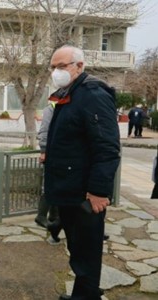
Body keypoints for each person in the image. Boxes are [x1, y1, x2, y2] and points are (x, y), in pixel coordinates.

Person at [45, 45, 120, 300]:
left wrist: (99, 191)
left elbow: (107, 148)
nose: (56, 71)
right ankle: (86, 293)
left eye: (62, 66)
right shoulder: (69, 93)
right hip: (69, 189)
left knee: (86, 252)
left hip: (85, 194)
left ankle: (86, 296)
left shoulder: (92, 95)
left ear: (79, 66)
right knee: (78, 250)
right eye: (53, 67)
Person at [35, 101, 61, 244]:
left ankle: (53, 217)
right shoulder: (51, 107)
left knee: (58, 185)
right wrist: (44, 150)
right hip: (52, 152)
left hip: (62, 152)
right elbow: (44, 130)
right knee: (49, 184)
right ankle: (42, 216)